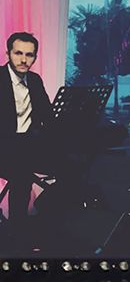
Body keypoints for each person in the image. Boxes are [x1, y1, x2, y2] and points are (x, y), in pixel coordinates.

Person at [0, 32, 51, 235]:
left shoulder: (35, 80)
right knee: (21, 173)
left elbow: (47, 116)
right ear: (8, 54)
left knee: (73, 164)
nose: (23, 59)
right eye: (18, 53)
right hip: (4, 148)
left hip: (28, 147)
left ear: (35, 57)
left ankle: (50, 215)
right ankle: (17, 231)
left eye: (29, 55)